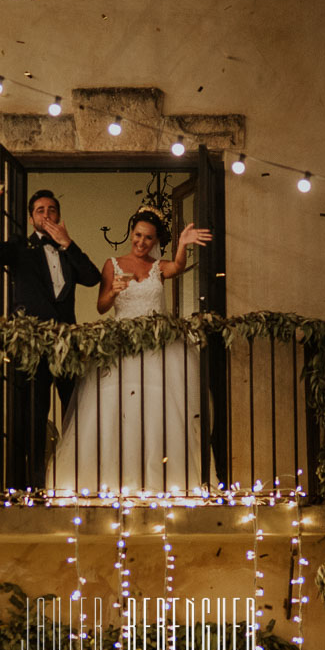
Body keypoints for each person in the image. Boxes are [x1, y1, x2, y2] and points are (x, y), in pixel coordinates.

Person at [50, 207, 213, 495]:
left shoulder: (158, 266)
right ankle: (111, 479)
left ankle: (162, 478)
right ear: (131, 234)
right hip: (122, 345)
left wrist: (183, 245)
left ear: (154, 241)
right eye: (138, 235)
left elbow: (176, 268)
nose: (141, 242)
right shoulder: (113, 264)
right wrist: (113, 291)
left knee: (158, 407)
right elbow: (102, 306)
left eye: (148, 238)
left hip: (158, 347)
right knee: (115, 408)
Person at [0, 186, 101, 491]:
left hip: (67, 347)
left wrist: (67, 243)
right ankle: (32, 487)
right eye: (40, 211)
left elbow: (92, 277)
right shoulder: (21, 248)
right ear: (32, 219)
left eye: (51, 210)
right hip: (32, 348)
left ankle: (77, 480)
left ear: (59, 216)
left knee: (75, 411)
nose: (46, 214)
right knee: (33, 418)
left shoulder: (67, 248)